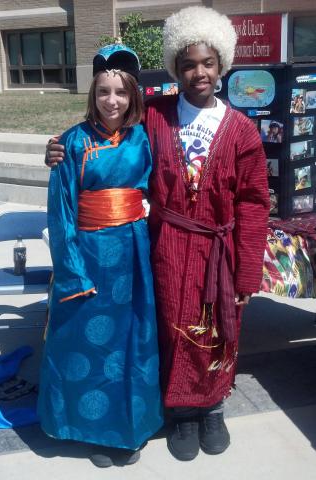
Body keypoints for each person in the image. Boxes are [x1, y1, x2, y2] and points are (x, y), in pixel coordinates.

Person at [45, 5, 269, 463]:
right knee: (166, 328)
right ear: (175, 69)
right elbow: (106, 127)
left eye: (208, 63)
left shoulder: (242, 131)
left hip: (217, 251)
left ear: (222, 64)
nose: (199, 72)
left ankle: (211, 408)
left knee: (217, 328)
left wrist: (247, 272)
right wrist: (55, 148)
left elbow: (254, 204)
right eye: (188, 64)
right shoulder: (157, 117)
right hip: (164, 246)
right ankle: (180, 413)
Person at [38, 44, 163, 469]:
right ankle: (91, 430)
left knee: (131, 344)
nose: (112, 100)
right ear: (92, 94)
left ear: (133, 96)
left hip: (132, 254)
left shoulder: (142, 136)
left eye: (121, 92)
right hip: (89, 256)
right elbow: (61, 212)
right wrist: (72, 273)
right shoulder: (71, 142)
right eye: (104, 91)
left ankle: (129, 429)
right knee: (89, 346)